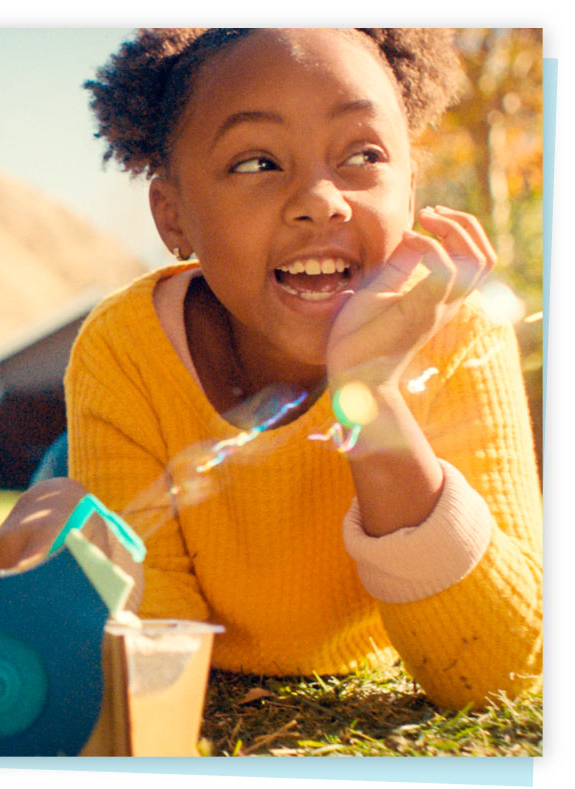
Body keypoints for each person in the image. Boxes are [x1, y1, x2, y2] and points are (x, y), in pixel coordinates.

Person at [66, 28, 541, 710]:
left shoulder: (458, 329)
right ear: (172, 216)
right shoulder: (121, 350)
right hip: (117, 455)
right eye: (256, 162)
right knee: (55, 515)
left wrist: (368, 396)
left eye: (361, 154)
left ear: (410, 187)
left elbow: (506, 673)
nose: (321, 198)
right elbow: (143, 666)